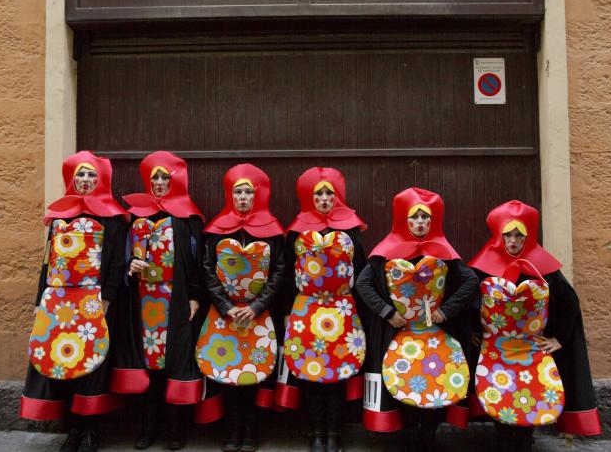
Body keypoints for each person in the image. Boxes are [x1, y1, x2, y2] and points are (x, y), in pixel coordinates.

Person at [458, 200, 602, 452]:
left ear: (528, 237)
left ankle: (524, 441)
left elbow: (570, 303)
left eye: (518, 235)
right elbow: (469, 301)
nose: (513, 241)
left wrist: (560, 339)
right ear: (498, 236)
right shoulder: (482, 268)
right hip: (496, 351)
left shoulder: (545, 270)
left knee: (529, 393)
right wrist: (472, 330)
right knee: (500, 393)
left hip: (530, 351)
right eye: (507, 235)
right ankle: (503, 439)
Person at [355, 188, 479, 452]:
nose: (420, 223)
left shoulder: (444, 252)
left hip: (434, 334)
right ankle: (410, 435)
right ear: (404, 220)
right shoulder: (386, 251)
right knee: (405, 384)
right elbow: (363, 284)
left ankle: (429, 435)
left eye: (425, 218)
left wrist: (446, 310)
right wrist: (387, 312)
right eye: (414, 218)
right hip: (400, 335)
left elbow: (471, 282)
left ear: (432, 222)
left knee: (434, 381)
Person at [19, 151, 128, 452]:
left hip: (92, 300)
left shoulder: (112, 217)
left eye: (92, 175)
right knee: (63, 362)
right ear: (72, 179)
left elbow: (117, 261)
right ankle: (71, 430)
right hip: (58, 300)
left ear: (101, 180)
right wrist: (40, 298)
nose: (85, 180)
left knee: (92, 365)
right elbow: (47, 260)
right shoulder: (59, 215)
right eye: (80, 174)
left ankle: (90, 430)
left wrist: (106, 299)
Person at [110, 151, 207, 450]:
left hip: (175, 300)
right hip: (143, 303)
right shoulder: (136, 215)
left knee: (175, 362)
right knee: (148, 364)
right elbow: (125, 254)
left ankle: (176, 428)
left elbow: (196, 260)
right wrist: (130, 268)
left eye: (166, 177)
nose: (161, 183)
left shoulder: (187, 217)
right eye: (156, 178)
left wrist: (194, 296)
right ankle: (149, 426)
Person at [275, 167, 368, 452]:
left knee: (338, 373)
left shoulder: (350, 229)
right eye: (319, 194)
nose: (325, 199)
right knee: (311, 373)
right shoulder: (296, 231)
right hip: (307, 311)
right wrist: (289, 312)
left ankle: (334, 433)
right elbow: (288, 275)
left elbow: (361, 271)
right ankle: (316, 432)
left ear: (337, 197)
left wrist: (359, 312)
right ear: (309, 197)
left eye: (330, 193)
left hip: (342, 311)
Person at [196, 164, 286, 452]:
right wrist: (225, 306)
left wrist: (257, 306)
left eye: (249, 192)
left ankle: (250, 431)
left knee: (254, 374)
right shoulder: (216, 230)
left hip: (257, 316)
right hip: (225, 315)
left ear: (257, 195)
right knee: (227, 372)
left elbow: (279, 271)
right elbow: (207, 270)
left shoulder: (272, 231)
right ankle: (231, 430)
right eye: (238, 192)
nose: (244, 197)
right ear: (230, 195)